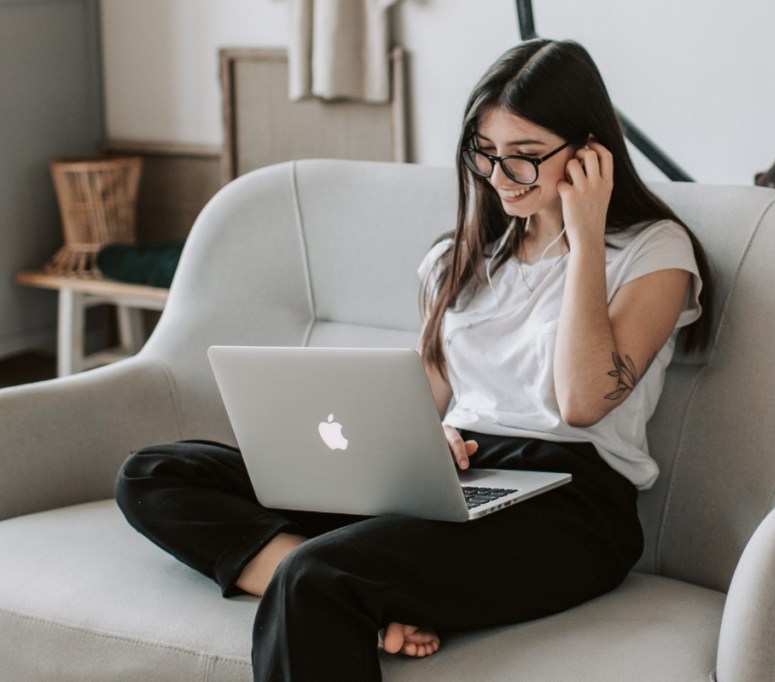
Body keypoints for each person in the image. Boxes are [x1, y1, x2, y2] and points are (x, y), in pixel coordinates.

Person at [115, 38, 713, 681]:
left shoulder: (653, 252)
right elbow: (421, 399)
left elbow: (582, 398)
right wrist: (424, 443)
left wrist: (586, 232)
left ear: (590, 151)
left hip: (572, 506)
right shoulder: (457, 260)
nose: (499, 178)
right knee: (154, 473)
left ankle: (327, 576)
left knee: (319, 582)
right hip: (458, 478)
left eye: (526, 158)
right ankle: (320, 574)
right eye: (486, 154)